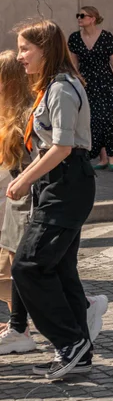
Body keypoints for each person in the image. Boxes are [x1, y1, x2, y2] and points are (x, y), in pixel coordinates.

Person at [8, 20, 98, 379]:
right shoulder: (51, 86)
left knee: (27, 266)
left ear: (45, 48)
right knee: (60, 270)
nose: (20, 56)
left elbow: (62, 147)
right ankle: (78, 350)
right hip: (58, 183)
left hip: (67, 182)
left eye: (25, 48)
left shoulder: (61, 88)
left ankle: (69, 342)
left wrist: (23, 181)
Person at [0, 50, 36, 355]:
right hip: (9, 197)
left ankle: (84, 307)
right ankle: (17, 326)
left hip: (18, 199)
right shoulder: (8, 110)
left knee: (11, 267)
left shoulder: (25, 111)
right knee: (9, 266)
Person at [68, 6, 113, 170]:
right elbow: (74, 63)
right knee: (93, 120)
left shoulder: (106, 37)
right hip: (86, 84)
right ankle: (102, 157)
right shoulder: (75, 38)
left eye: (82, 16)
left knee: (110, 119)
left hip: (105, 83)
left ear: (92, 18)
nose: (79, 18)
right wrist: (75, 82)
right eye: (78, 15)